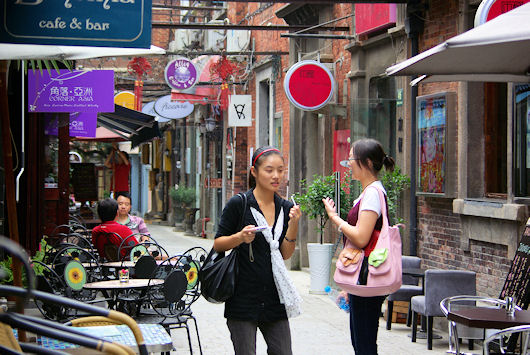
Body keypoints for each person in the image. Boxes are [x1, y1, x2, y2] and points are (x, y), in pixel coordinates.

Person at [213, 146, 303, 355]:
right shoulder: (240, 204)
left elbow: (285, 254)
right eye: (269, 170)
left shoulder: (285, 207)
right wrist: (239, 237)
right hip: (242, 298)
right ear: (254, 172)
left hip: (274, 296)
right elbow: (218, 243)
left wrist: (294, 224)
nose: (276, 176)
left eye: (280, 170)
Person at [322, 138, 395, 355]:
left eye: (352, 158)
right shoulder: (369, 192)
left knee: (364, 343)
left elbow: (362, 238)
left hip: (367, 278)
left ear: (368, 163)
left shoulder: (372, 193)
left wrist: (335, 218)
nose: (349, 163)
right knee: (362, 340)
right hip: (363, 277)